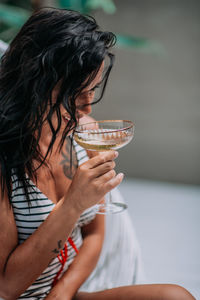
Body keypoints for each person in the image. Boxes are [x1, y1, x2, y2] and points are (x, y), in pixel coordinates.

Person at [0, 7, 195, 300]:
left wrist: (64, 293)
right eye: (76, 95)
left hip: (66, 294)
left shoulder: (84, 133)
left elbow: (94, 234)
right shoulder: (5, 161)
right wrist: (73, 204)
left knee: (175, 296)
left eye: (92, 91)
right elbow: (7, 286)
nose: (88, 108)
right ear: (35, 84)